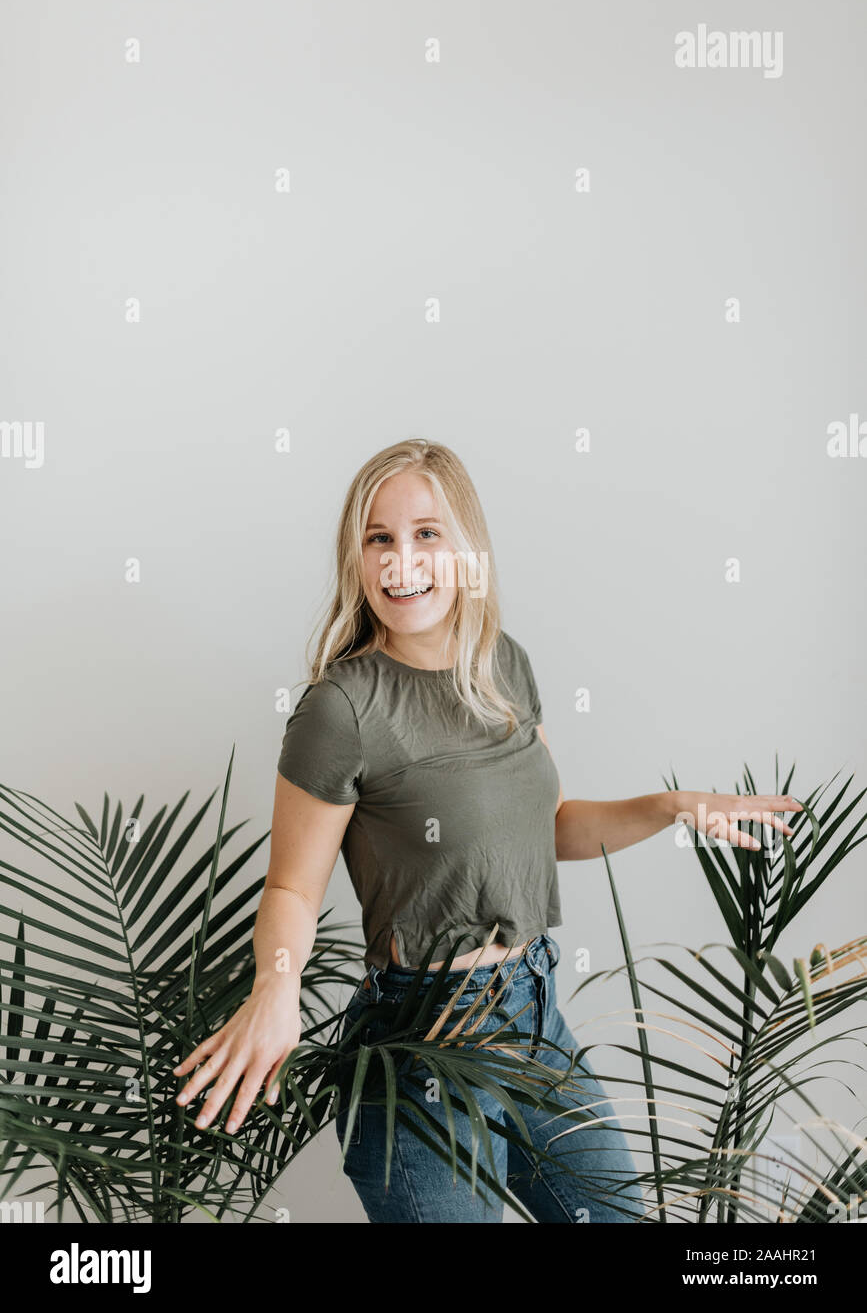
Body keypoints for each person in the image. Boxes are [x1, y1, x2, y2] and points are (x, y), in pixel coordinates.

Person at [173, 437, 800, 1223]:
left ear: (465, 548)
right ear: (357, 559)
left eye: (426, 534)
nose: (402, 562)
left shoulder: (503, 668)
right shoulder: (342, 709)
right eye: (380, 539)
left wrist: (671, 808)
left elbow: (551, 830)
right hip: (423, 1042)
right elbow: (293, 884)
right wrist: (276, 987)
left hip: (534, 1014)